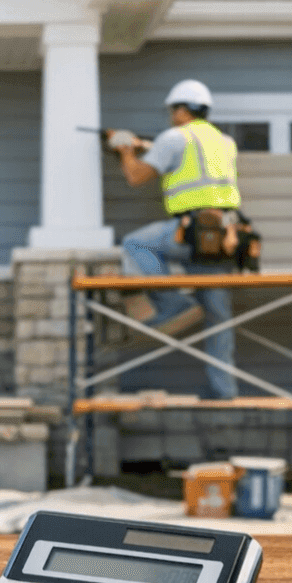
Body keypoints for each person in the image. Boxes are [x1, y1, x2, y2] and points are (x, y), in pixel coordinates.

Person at [109, 78, 240, 400]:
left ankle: (173, 302)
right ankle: (225, 391)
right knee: (218, 315)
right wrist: (147, 147)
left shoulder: (173, 138)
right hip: (223, 235)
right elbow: (191, 160)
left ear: (182, 110)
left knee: (136, 244)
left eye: (172, 111)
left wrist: (126, 150)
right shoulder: (224, 141)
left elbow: (136, 176)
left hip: (189, 230)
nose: (170, 116)